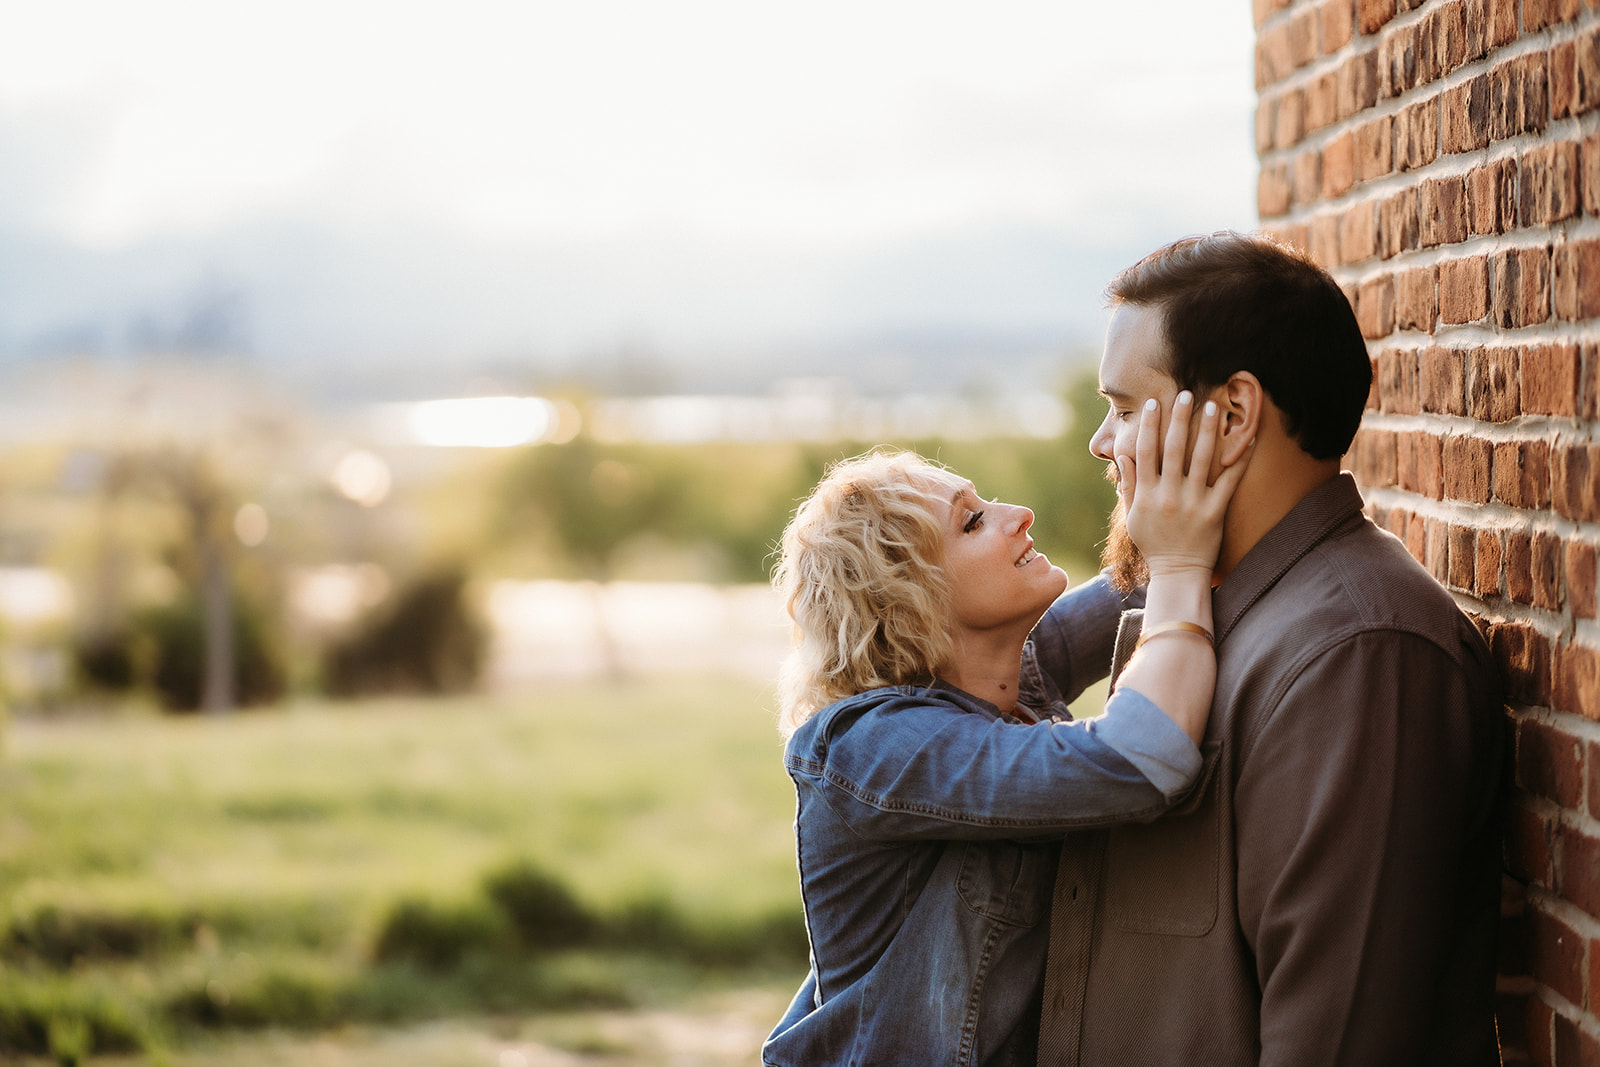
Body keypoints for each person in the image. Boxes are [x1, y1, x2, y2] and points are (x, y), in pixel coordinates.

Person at [1030, 231, 1507, 1065]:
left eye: (1127, 408)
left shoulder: (1360, 655)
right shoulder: (1204, 606)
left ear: (1235, 413)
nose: (1102, 444)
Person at [761, 394, 1252, 1067]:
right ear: (912, 597)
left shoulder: (1005, 678)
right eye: (973, 522)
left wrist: (1182, 471)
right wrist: (1183, 567)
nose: (1018, 515)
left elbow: (1139, 577)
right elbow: (1144, 755)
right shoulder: (871, 747)